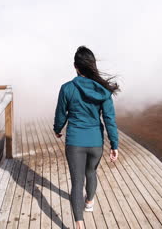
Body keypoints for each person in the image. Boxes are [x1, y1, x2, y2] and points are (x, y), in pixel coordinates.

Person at [53, 46, 120, 229]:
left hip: (75, 141)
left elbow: (60, 114)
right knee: (91, 173)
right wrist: (114, 144)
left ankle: (79, 224)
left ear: (76, 67)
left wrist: (58, 129)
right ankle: (89, 202)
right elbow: (109, 120)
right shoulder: (103, 91)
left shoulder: (67, 88)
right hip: (96, 142)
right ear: (92, 66)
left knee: (76, 182)